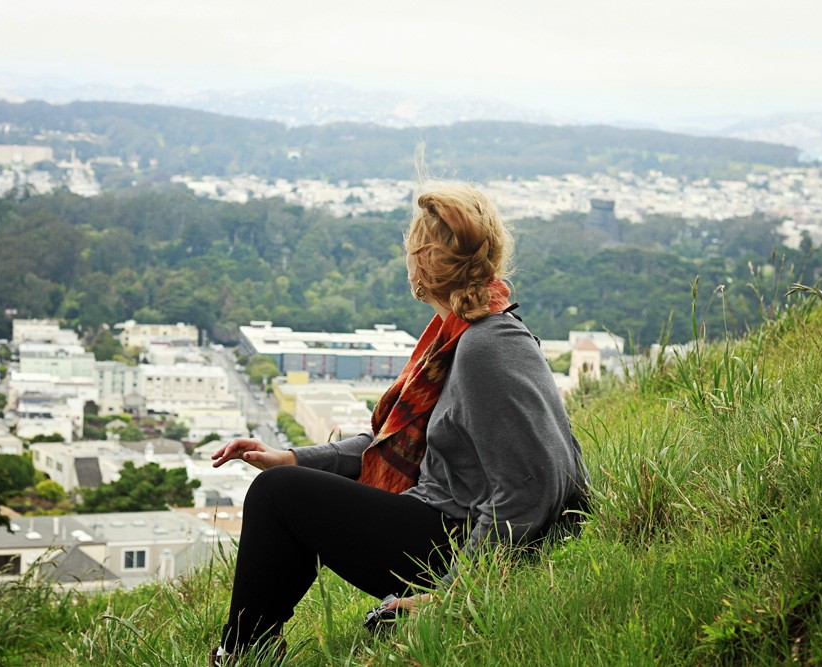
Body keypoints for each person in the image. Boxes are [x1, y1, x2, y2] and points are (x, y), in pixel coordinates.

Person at [209, 182, 590, 664]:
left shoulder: (486, 346)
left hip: (455, 541)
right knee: (284, 485)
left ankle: (241, 655)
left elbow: (534, 485)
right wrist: (291, 457)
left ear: (423, 262)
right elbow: (393, 440)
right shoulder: (460, 332)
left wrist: (453, 595)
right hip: (442, 524)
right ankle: (250, 650)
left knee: (277, 496)